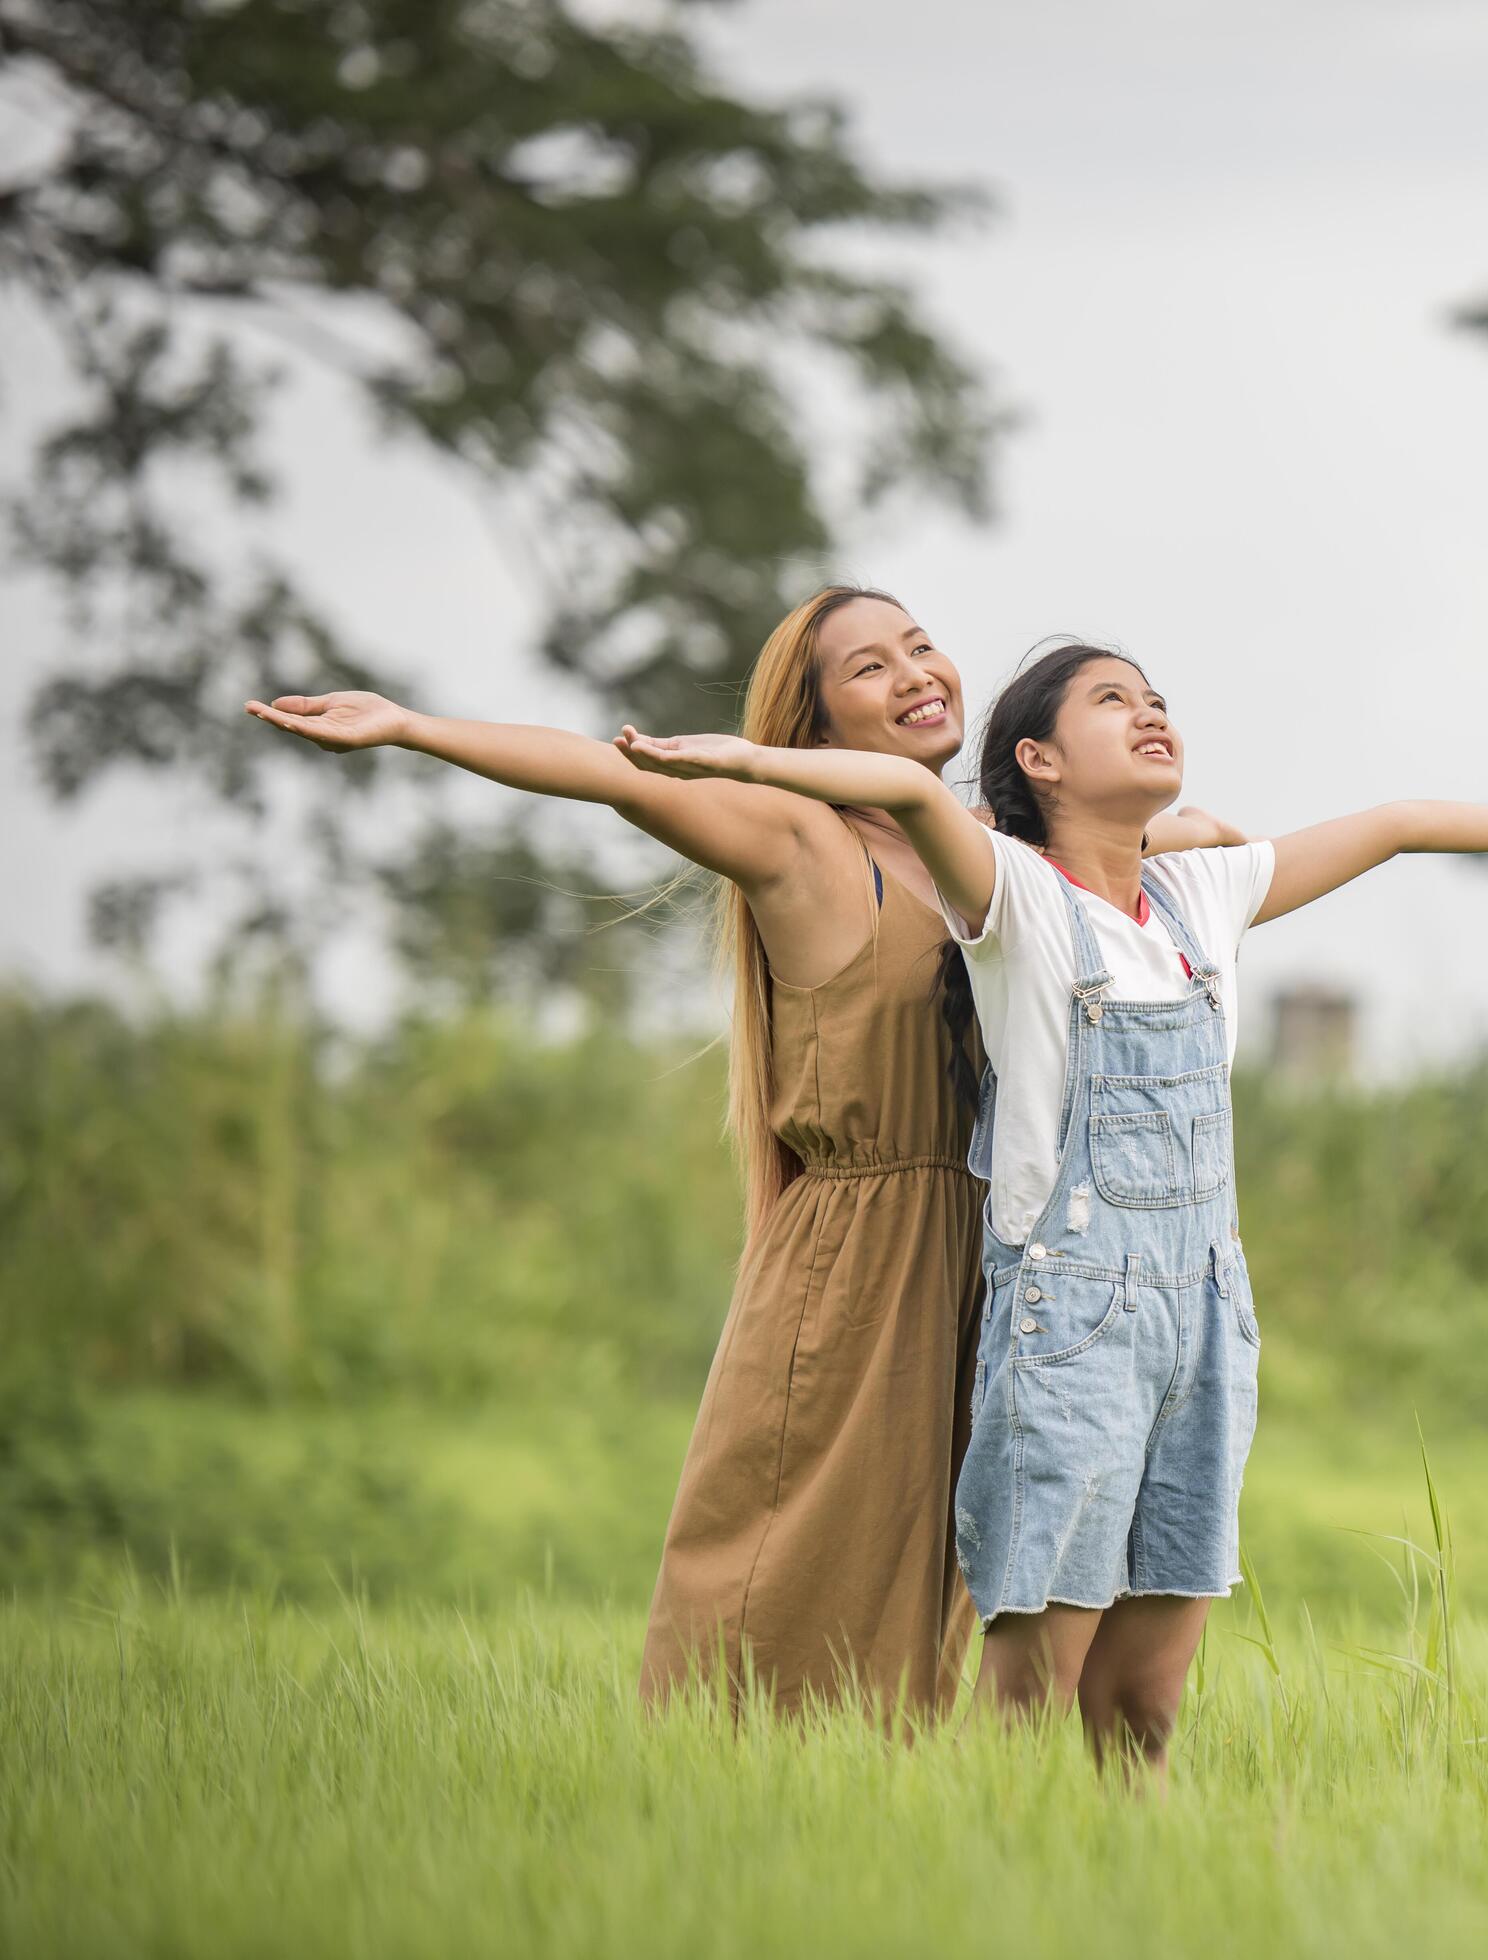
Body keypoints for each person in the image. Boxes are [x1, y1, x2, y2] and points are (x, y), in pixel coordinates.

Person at [615, 639, 1488, 1773]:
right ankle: (982, 1876)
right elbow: (897, 788)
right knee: (1034, 1690)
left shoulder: (1199, 895)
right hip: (1070, 1325)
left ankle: (1128, 1891)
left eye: (1158, 698)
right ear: (1039, 759)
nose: (1151, 713)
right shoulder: (1015, 896)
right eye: (1112, 701)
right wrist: (744, 760)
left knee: (1143, 1702)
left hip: (1204, 1328)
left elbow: (1397, 821)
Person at [244, 590, 1238, 1720]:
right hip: (863, 1255)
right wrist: (416, 728)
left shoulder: (981, 850)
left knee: (955, 1575)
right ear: (812, 727)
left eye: (920, 646)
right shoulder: (798, 834)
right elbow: (613, 774)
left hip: (1009, 1259)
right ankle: (717, 1792)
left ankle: (902, 1825)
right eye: (869, 668)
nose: (917, 674)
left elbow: (1159, 856)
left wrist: (1196, 830)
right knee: (802, 1559)